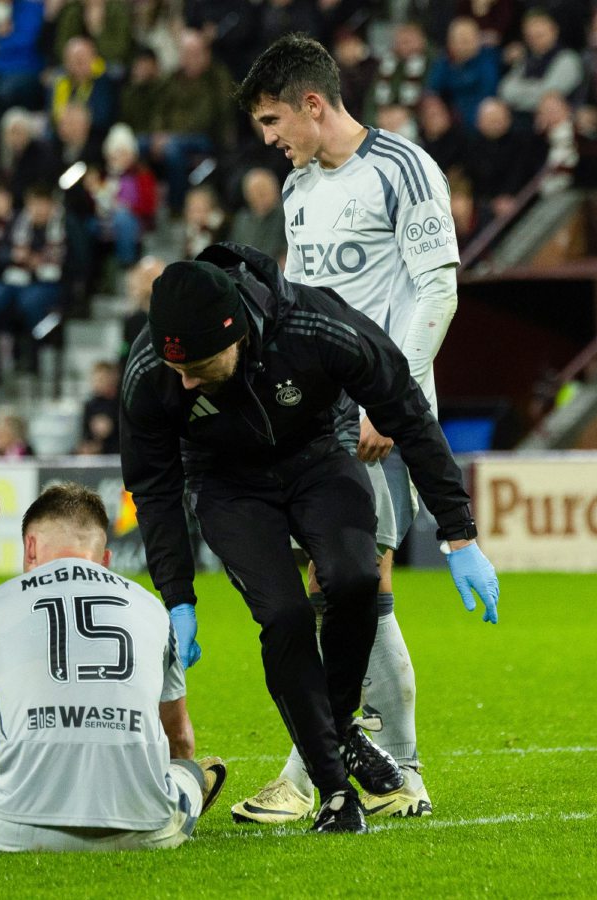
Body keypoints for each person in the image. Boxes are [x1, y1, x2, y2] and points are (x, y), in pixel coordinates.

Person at [118, 242, 500, 834]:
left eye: (197, 367)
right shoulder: (153, 372)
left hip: (320, 456)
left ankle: (338, 722)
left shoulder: (321, 325)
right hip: (228, 486)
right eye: (177, 370)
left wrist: (460, 534)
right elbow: (154, 488)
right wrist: (178, 595)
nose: (186, 384)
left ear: (236, 334)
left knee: (354, 579)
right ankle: (333, 790)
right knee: (287, 618)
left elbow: (408, 414)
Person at [229, 32, 471, 825]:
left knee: (360, 593)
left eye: (273, 121)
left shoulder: (403, 170)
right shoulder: (301, 187)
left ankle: (364, 772)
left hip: (374, 416)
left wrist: (383, 400)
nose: (270, 140)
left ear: (312, 102)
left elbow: (436, 290)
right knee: (334, 595)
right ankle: (359, 770)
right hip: (313, 415)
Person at [0, 483, 227, 852]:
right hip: (149, 832)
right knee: (190, 770)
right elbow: (179, 742)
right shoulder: (154, 611)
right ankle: (185, 796)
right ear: (104, 558)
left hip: (15, 830)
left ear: (31, 547)